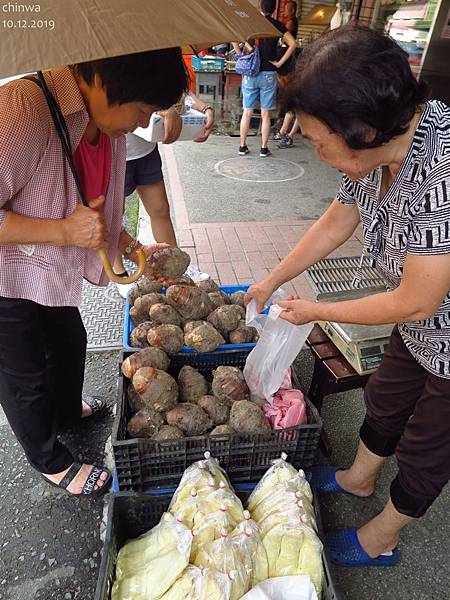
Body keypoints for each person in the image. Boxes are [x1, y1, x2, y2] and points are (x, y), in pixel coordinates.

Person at [245, 26, 450, 566]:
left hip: (436, 319)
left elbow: (416, 301)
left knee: (429, 444)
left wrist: (317, 311)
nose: (317, 153)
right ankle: (359, 479)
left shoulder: (442, 170)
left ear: (361, 127)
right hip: (422, 324)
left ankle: (383, 537)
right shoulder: (377, 152)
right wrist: (271, 278)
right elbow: (338, 220)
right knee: (385, 399)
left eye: (318, 142)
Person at [0, 48, 188, 497]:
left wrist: (128, 243)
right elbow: (69, 222)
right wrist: (63, 230)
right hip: (7, 277)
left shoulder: (107, 127)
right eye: (143, 110)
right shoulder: (24, 109)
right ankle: (49, 460)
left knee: (70, 343)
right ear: (105, 80)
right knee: (21, 373)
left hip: (48, 272)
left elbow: (94, 208)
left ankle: (65, 410)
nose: (144, 124)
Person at [113, 91, 214, 291]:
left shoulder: (158, 61)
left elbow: (179, 92)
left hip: (146, 148)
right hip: (115, 152)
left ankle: (177, 267)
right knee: (115, 216)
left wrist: (204, 108)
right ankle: (119, 273)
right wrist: (162, 108)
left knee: (160, 210)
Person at [232, 0, 296, 157]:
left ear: (260, 7)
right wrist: (279, 63)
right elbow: (293, 44)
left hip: (250, 73)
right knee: (265, 114)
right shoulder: (277, 25)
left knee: (247, 112)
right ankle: (263, 148)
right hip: (269, 73)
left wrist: (241, 54)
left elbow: (233, 37)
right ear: (274, 9)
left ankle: (242, 146)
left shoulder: (250, 23)